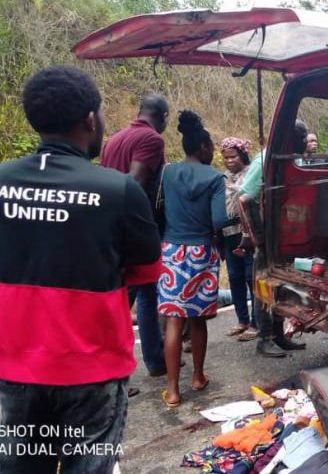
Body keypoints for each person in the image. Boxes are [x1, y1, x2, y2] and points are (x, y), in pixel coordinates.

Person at [0, 66, 161, 473]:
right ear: (91, 118)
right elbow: (146, 271)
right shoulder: (118, 189)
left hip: (11, 364)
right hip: (92, 369)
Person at [158, 111, 227, 407]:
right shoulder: (214, 177)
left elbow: (159, 208)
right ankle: (197, 377)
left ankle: (173, 391)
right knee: (198, 320)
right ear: (202, 147)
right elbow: (219, 220)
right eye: (211, 146)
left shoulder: (168, 172)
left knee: (174, 320)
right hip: (202, 251)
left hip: (171, 251)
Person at [100, 93, 169, 379]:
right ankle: (106, 367)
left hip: (111, 226)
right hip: (135, 230)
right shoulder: (152, 140)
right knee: (128, 297)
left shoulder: (114, 140)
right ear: (163, 116)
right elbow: (136, 182)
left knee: (143, 293)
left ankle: (154, 359)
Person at [240, 120, 309, 357]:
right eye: (302, 138)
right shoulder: (266, 160)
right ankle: (264, 339)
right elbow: (245, 199)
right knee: (263, 286)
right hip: (267, 236)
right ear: (291, 137)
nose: (305, 143)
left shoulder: (289, 158)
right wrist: (255, 237)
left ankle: (279, 335)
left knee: (280, 286)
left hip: (284, 235)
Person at [219, 136, 257, 341]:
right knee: (234, 277)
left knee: (251, 277)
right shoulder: (222, 178)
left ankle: (255, 322)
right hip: (228, 235)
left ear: (242, 155)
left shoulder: (251, 173)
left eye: (233, 156)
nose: (229, 161)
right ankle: (242, 320)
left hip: (248, 234)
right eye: (225, 157)